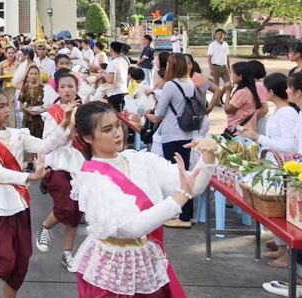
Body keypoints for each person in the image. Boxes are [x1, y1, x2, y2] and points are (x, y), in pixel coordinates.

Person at [71, 101, 217, 297]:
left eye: (117, 125)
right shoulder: (92, 179)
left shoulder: (139, 160)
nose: (117, 133)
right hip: (111, 269)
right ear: (88, 137)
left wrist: (208, 155)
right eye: (107, 129)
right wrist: (178, 200)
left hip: (145, 260)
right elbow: (129, 227)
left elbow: (194, 185)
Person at [0, 88, 73, 298]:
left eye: (7, 105)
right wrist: (30, 177)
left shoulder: (18, 134)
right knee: (4, 257)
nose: (7, 110)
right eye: (1, 106)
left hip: (18, 202)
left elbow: (46, 145)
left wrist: (65, 122)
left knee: (21, 259)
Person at [239, 72, 299, 269]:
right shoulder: (282, 111)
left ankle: (289, 255)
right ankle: (283, 249)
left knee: (286, 216)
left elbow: (291, 147)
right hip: (276, 165)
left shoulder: (289, 114)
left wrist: (259, 138)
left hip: (286, 168)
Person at [144, 53, 204, 228]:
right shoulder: (191, 84)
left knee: (176, 176)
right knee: (184, 174)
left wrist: (148, 114)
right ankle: (188, 215)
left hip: (171, 134)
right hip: (187, 134)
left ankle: (182, 217)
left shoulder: (170, 85)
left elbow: (159, 114)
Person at [37, 69, 84, 272]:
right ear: (57, 88)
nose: (67, 90)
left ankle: (67, 253)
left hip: (80, 166)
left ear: (77, 89)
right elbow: (46, 145)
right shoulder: (53, 113)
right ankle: (45, 227)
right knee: (65, 207)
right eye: (63, 86)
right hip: (57, 165)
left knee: (76, 214)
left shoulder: (83, 111)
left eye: (70, 86)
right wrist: (67, 124)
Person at [223, 62, 261, 136]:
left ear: (240, 76)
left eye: (233, 73)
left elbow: (228, 109)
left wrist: (228, 91)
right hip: (245, 131)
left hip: (240, 133)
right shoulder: (248, 89)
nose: (231, 76)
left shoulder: (242, 92)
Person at [18, 65, 45, 139]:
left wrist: (42, 109)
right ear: (28, 75)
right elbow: (21, 103)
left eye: (35, 74)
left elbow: (46, 103)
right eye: (31, 73)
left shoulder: (42, 88)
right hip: (28, 117)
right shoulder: (25, 88)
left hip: (40, 117)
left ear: (38, 75)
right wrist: (27, 109)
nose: (33, 76)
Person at [102, 42, 130, 112]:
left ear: (111, 49)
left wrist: (104, 75)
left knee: (116, 116)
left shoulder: (113, 62)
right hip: (124, 91)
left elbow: (111, 80)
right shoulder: (124, 60)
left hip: (115, 93)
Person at [0, 46, 18, 128]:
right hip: (5, 87)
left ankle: (12, 126)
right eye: (9, 53)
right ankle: (4, 125)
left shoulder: (18, 64)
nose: (10, 55)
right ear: (5, 54)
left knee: (12, 106)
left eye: (12, 53)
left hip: (14, 87)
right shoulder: (1, 64)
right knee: (4, 105)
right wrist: (4, 77)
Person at [207, 28, 230, 96]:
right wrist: (211, 68)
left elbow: (227, 56)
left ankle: (221, 95)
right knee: (216, 86)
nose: (220, 35)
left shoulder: (225, 44)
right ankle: (216, 101)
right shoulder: (212, 45)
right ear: (215, 35)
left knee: (228, 84)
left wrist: (229, 67)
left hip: (224, 67)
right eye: (219, 34)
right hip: (215, 67)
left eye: (222, 34)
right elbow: (209, 57)